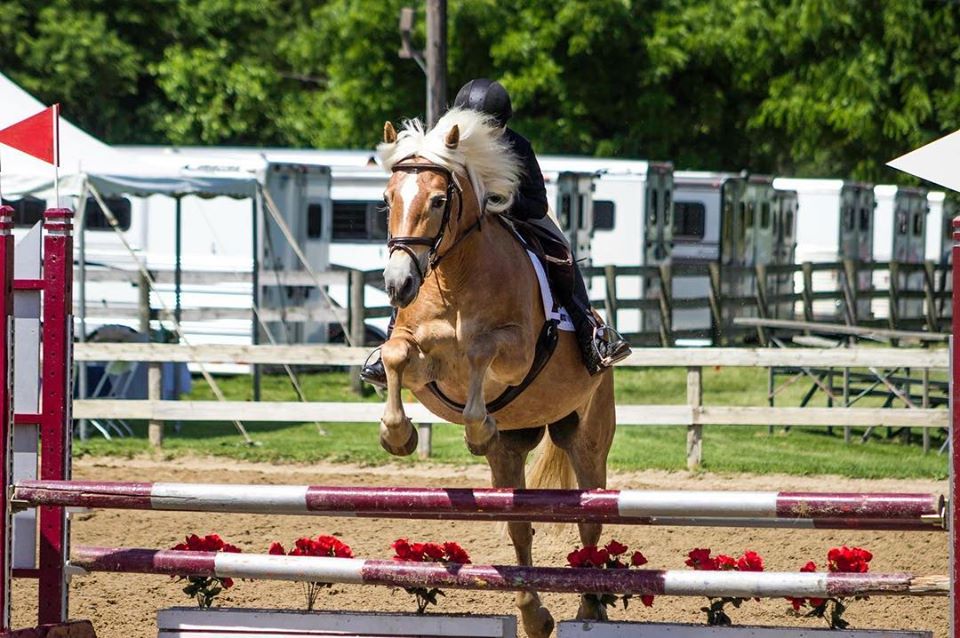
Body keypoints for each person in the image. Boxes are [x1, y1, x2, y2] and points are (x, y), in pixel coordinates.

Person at [360, 78, 630, 388]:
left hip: (518, 216)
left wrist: (495, 202)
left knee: (562, 253)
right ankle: (390, 340)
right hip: (456, 222)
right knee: (411, 263)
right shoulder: (444, 142)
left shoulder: (517, 146)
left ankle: (590, 334)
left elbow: (537, 204)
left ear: (500, 126)